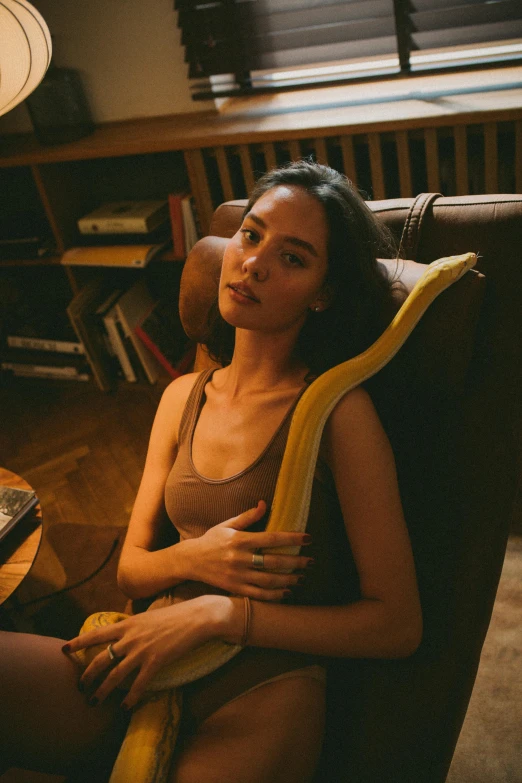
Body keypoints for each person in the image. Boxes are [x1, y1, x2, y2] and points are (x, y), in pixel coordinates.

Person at [0, 160, 422, 783]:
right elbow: (132, 566)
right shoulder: (180, 398)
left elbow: (397, 624)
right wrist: (193, 562)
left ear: (322, 293)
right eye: (251, 236)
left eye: (294, 258)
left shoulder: (337, 415)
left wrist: (224, 613)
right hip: (147, 652)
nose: (253, 263)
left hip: (261, 689)